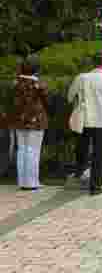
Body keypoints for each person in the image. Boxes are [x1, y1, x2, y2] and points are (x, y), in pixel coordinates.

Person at [69, 52, 102, 194]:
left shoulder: (81, 78)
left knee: (82, 148)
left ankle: (79, 172)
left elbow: (70, 96)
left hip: (85, 119)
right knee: (99, 154)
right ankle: (95, 186)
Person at [12, 55, 47, 190]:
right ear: (36, 69)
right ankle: (32, 182)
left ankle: (22, 181)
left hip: (19, 120)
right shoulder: (38, 84)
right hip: (36, 121)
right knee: (33, 151)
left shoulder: (16, 83)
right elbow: (46, 101)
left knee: (22, 150)